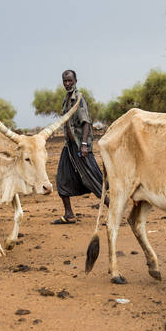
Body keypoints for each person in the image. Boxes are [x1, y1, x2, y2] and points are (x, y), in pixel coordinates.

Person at [53, 69, 104, 224]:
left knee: (94, 180)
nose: (67, 83)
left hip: (80, 146)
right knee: (61, 178)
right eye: (65, 81)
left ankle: (115, 211)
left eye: (70, 80)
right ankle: (69, 214)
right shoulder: (66, 99)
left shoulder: (78, 98)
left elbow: (86, 122)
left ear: (75, 81)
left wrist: (83, 145)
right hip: (69, 146)